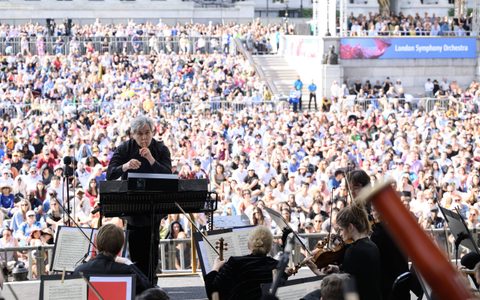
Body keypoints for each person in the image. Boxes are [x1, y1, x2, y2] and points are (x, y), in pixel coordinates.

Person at [107, 115, 172, 282]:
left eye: (147, 133)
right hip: (133, 209)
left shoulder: (161, 149)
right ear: (132, 134)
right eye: (139, 134)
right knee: (135, 253)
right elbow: (110, 174)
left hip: (154, 209)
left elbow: (168, 175)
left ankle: (151, 285)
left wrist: (151, 159)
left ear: (152, 132)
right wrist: (126, 166)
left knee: (152, 252)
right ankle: (138, 286)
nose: (144, 137)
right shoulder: (124, 148)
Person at [347, 169, 410, 300]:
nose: (351, 192)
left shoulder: (377, 220)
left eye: (355, 188)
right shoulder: (365, 211)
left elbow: (372, 245)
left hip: (387, 284)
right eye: (350, 188)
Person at [305, 203, 382, 300]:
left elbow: (341, 291)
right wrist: (336, 269)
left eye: (341, 229)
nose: (340, 234)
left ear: (350, 227)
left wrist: (316, 270)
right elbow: (357, 275)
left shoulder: (353, 251)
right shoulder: (372, 246)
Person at [204, 225, 287, 300]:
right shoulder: (277, 265)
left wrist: (215, 268)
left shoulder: (235, 263)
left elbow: (213, 292)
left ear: (248, 245)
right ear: (269, 247)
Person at [73, 224, 152, 295]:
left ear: (97, 243)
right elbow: (148, 289)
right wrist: (129, 263)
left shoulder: (79, 270)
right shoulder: (126, 271)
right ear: (121, 246)